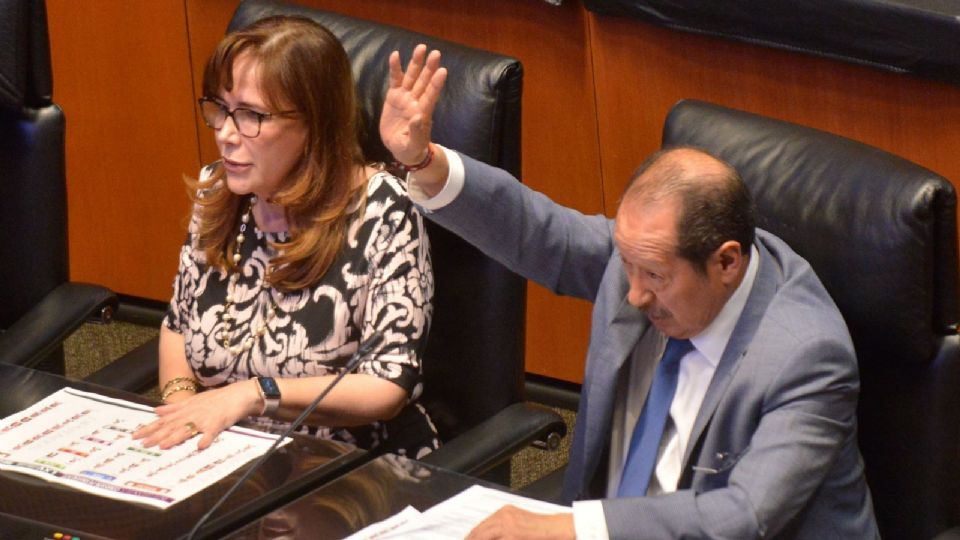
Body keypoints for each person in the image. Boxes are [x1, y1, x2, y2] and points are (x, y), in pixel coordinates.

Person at [379, 46, 878, 538]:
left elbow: (747, 515)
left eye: (655, 277)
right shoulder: (643, 258)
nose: (633, 294)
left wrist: (574, 528)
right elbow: (538, 231)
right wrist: (423, 161)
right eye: (627, 265)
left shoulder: (806, 357)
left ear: (726, 262)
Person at [132, 16, 438, 460]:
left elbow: (386, 385)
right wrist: (183, 409)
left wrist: (256, 394)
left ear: (314, 123)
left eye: (252, 115)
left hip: (349, 468)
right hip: (225, 453)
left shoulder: (383, 209)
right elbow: (177, 326)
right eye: (219, 108)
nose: (225, 134)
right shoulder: (218, 190)